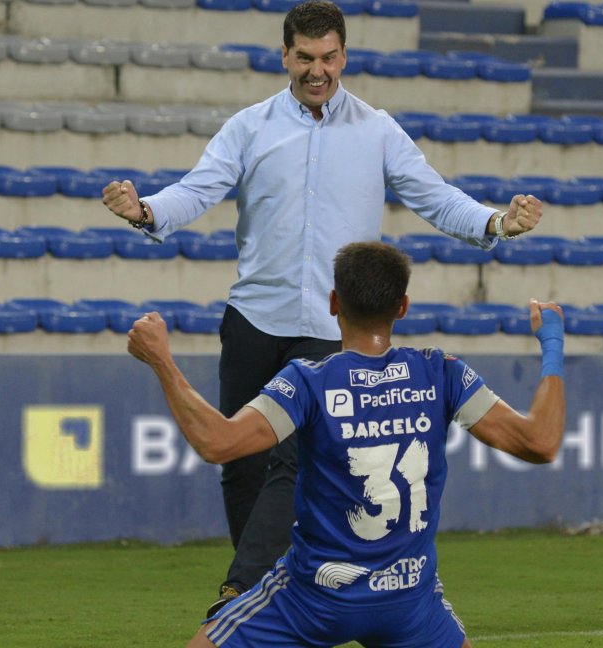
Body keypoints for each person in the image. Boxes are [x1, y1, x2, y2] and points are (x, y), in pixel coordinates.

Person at [103, 0, 544, 616]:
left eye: (329, 57)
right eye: (305, 57)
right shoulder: (250, 127)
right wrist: (146, 210)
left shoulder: (377, 130)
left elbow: (437, 198)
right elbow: (197, 189)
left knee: (293, 461)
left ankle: (238, 591)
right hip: (254, 318)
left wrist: (497, 222)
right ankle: (268, 598)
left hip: (328, 328)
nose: (318, 70)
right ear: (285, 56)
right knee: (241, 464)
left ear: (345, 57)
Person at [126, 241, 566, 648]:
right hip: (408, 599)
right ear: (403, 307)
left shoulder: (308, 381)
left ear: (334, 303)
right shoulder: (441, 372)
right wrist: (552, 342)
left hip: (314, 597)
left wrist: (162, 360)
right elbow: (541, 441)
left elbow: (218, 443)